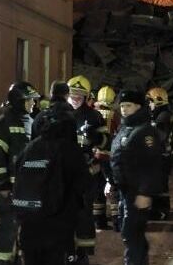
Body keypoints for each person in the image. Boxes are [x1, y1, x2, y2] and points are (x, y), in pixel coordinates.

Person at [18, 81, 89, 265]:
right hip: (58, 211)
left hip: (32, 212)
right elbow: (80, 180)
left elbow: (20, 170)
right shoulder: (69, 148)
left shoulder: (32, 147)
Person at [107, 90, 163, 265]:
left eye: (128, 106)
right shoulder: (126, 127)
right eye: (122, 106)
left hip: (136, 192)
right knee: (131, 233)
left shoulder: (145, 132)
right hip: (125, 190)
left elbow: (152, 165)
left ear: (138, 107)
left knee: (132, 233)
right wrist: (111, 181)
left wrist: (145, 193)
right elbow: (117, 156)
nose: (123, 109)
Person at [0, 81, 40, 264]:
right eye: (29, 100)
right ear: (19, 101)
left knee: (26, 227)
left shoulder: (31, 122)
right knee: (7, 226)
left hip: (28, 187)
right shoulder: (2, 124)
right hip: (9, 188)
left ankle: (17, 259)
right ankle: (0, 260)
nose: (33, 104)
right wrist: (2, 184)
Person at [67, 75, 107, 264]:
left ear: (86, 97)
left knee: (84, 214)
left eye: (79, 96)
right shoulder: (58, 113)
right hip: (63, 174)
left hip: (86, 173)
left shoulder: (94, 116)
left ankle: (82, 254)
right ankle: (66, 251)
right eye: (72, 95)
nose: (75, 99)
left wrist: (97, 139)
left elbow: (107, 142)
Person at [94, 85, 121, 231]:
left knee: (98, 189)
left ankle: (99, 221)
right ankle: (117, 221)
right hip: (109, 157)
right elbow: (118, 134)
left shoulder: (93, 113)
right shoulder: (114, 115)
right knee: (113, 188)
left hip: (95, 155)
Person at [147, 87, 173, 221]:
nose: (149, 104)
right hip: (161, 156)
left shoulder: (163, 117)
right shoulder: (160, 115)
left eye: (150, 102)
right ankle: (158, 210)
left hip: (162, 157)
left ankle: (161, 211)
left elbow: (160, 137)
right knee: (158, 183)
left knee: (160, 185)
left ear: (157, 101)